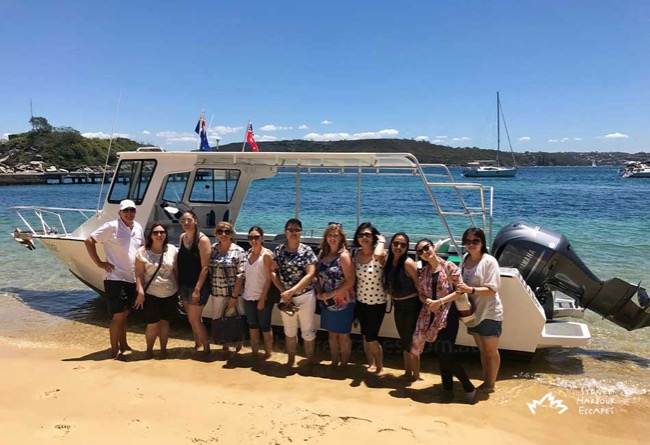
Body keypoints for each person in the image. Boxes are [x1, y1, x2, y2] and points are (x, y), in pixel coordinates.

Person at [411, 238, 476, 403]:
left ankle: (468, 386)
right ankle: (447, 388)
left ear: (433, 248)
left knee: (446, 353)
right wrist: (428, 302)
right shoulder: (424, 272)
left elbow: (460, 290)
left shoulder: (449, 267)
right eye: (420, 251)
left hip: (448, 314)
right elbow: (421, 293)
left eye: (426, 248)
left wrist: (439, 302)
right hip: (430, 314)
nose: (425, 252)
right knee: (441, 354)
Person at [84, 199, 144, 360]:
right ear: (120, 213)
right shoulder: (111, 226)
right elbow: (89, 241)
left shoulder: (138, 227)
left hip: (131, 277)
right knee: (118, 315)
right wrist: (99, 262)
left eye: (132, 210)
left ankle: (123, 344)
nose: (129, 214)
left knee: (125, 313)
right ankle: (114, 349)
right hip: (115, 278)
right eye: (126, 211)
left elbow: (141, 250)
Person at [455, 227, 503, 393]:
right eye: (467, 241)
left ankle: (490, 384)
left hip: (489, 312)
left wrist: (470, 290)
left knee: (491, 350)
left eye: (475, 241)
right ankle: (486, 380)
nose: (471, 244)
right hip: (472, 313)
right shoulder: (465, 259)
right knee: (482, 349)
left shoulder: (489, 261)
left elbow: (492, 289)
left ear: (482, 242)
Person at [271, 218, 318, 368]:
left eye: (297, 230)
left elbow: (310, 274)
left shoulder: (307, 251)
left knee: (308, 331)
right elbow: (272, 271)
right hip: (286, 298)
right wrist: (284, 292)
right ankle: (291, 360)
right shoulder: (279, 250)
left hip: (305, 296)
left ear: (300, 232)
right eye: (291, 230)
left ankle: (309, 361)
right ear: (285, 232)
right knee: (289, 331)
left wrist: (292, 291)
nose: (294, 233)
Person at [134, 223, 179, 359]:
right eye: (155, 233)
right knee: (152, 324)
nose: (159, 235)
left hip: (170, 292)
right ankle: (149, 350)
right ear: (150, 235)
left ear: (165, 234)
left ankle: (163, 350)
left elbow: (176, 271)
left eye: (162, 232)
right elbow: (139, 274)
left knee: (165, 323)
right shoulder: (142, 252)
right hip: (151, 293)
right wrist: (140, 292)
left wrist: (179, 288)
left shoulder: (172, 250)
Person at [315, 223, 356, 368]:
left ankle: (344, 365)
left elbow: (350, 281)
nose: (332, 238)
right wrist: (320, 292)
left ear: (341, 238)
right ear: (326, 237)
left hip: (343, 302)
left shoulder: (344, 256)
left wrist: (331, 294)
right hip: (327, 303)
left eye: (335, 235)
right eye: (330, 235)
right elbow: (317, 276)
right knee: (331, 334)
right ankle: (334, 363)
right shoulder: (322, 254)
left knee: (343, 335)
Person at [383, 232, 422, 380]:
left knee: (413, 342)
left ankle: (416, 375)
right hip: (398, 306)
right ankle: (407, 372)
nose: (399, 247)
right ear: (391, 244)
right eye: (395, 244)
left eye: (403, 245)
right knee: (404, 340)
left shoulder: (408, 263)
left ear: (407, 248)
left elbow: (419, 286)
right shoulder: (389, 262)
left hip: (411, 306)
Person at [352, 222, 387, 373]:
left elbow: (379, 254)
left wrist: (382, 241)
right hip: (361, 301)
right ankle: (370, 363)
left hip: (377, 302)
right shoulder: (356, 254)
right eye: (361, 235)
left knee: (372, 337)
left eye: (367, 235)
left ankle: (379, 366)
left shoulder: (379, 254)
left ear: (374, 237)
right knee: (365, 335)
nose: (364, 237)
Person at [177, 210, 211, 354]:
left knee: (194, 319)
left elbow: (205, 267)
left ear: (195, 220)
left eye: (189, 220)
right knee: (191, 319)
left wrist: (197, 288)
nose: (186, 223)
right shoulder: (182, 237)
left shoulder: (203, 240)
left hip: (198, 286)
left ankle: (207, 348)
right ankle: (197, 344)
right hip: (184, 284)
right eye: (183, 220)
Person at [209, 221, 246, 354]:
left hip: (234, 292)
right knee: (219, 319)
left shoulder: (238, 251)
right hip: (217, 291)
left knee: (236, 318)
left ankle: (239, 344)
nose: (223, 234)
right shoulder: (213, 249)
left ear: (231, 234)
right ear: (216, 234)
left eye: (227, 232)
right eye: (220, 232)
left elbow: (240, 275)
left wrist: (234, 296)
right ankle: (224, 345)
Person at [242, 226, 274, 361]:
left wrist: (262, 298)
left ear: (262, 238)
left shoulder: (266, 255)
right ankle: (254, 353)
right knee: (252, 325)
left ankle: (268, 354)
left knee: (265, 326)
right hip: (248, 296)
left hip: (263, 298)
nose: (253, 240)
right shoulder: (248, 253)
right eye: (251, 237)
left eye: (256, 237)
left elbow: (269, 278)